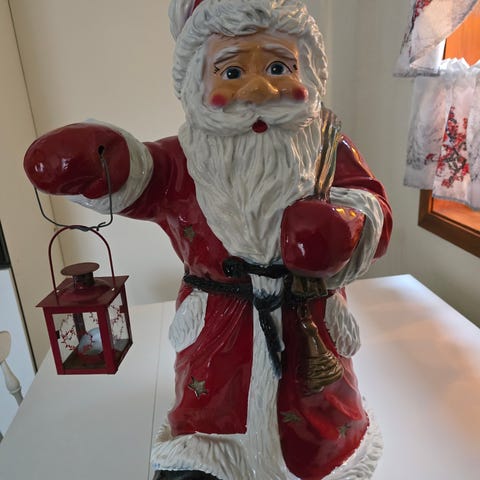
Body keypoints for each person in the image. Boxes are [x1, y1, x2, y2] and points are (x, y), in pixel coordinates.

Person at [24, 1, 392, 479]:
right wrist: (100, 163)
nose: (259, 89)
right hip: (219, 330)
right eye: (233, 71)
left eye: (278, 67)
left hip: (308, 320)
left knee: (316, 416)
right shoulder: (185, 158)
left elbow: (370, 202)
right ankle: (207, 456)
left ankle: (323, 453)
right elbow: (141, 177)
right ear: (198, 81)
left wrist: (345, 227)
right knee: (212, 405)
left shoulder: (326, 146)